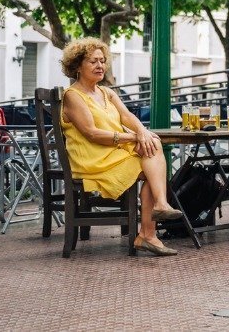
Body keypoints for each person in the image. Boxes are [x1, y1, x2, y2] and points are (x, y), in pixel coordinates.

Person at [60, 38, 184, 256]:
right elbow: (92, 132)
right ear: (78, 66)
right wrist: (132, 137)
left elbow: (127, 116)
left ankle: (153, 224)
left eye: (102, 61)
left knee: (152, 147)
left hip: (113, 154)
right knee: (151, 161)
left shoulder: (107, 92)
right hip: (92, 160)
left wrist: (143, 132)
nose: (100, 66)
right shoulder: (73, 95)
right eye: (93, 62)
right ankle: (149, 231)